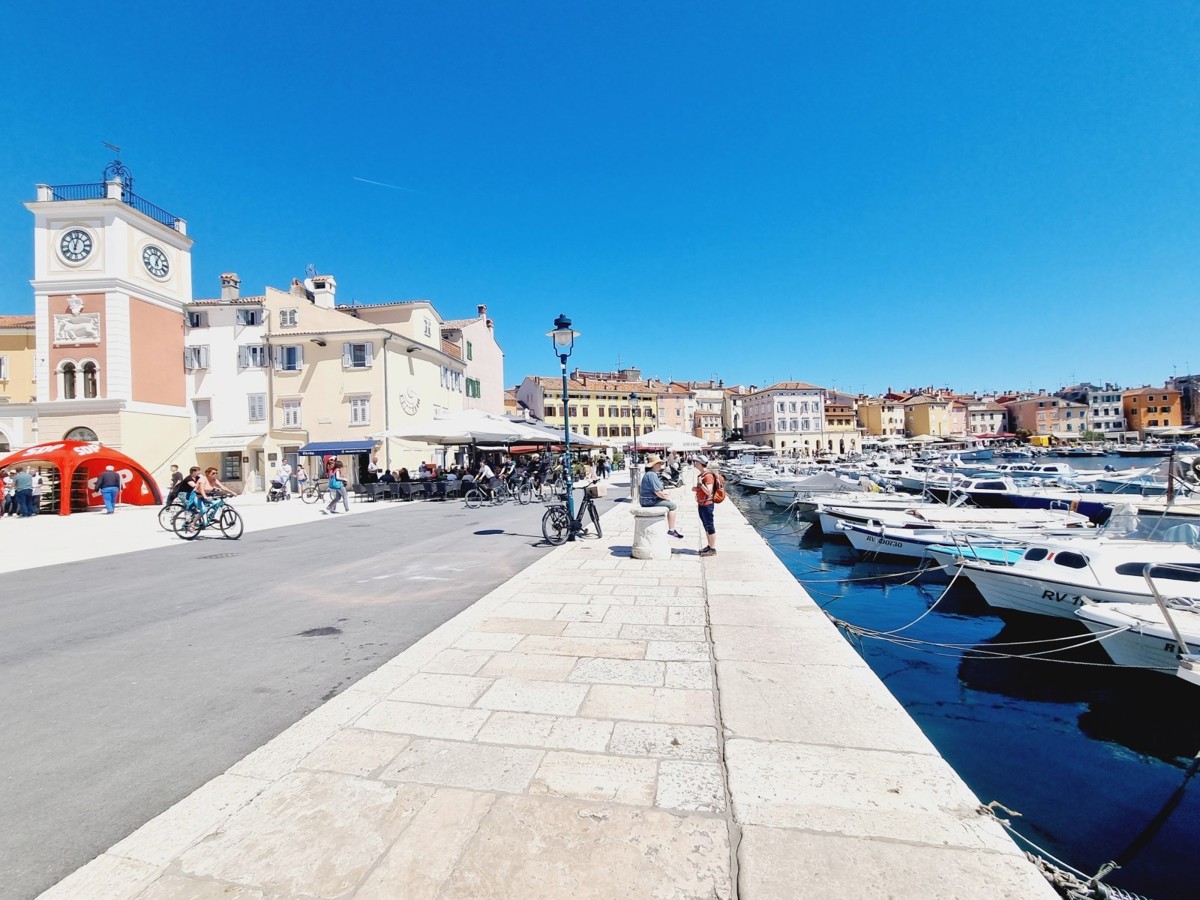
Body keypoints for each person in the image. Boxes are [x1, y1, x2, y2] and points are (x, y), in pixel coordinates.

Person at [639, 455, 682, 538]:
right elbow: (657, 491)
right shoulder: (652, 475)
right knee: (672, 506)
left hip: (646, 499)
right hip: (649, 501)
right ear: (654, 465)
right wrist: (666, 498)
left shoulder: (650, 474)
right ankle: (671, 530)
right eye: (659, 463)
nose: (661, 465)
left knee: (668, 503)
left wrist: (663, 495)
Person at [693, 454, 719, 556]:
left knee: (709, 525)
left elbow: (709, 491)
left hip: (707, 504)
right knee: (706, 525)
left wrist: (700, 484)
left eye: (696, 462)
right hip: (702, 503)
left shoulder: (708, 476)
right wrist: (697, 489)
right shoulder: (702, 475)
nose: (694, 463)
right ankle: (709, 546)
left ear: (700, 463)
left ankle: (712, 548)